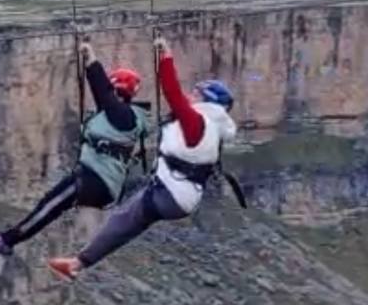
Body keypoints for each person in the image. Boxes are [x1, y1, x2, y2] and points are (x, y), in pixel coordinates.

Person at [48, 36, 237, 281]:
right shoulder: (211, 126)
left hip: (171, 194)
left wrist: (166, 56)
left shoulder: (197, 122)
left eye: (197, 93)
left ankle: (76, 263)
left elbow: (173, 93)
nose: (191, 95)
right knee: (127, 221)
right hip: (179, 193)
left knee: (124, 220)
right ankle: (75, 264)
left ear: (207, 101)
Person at [0, 42, 149, 255]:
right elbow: (101, 93)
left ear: (116, 89)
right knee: (49, 203)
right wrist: (88, 61)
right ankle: (6, 239)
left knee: (50, 206)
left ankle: (6, 241)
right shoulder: (119, 116)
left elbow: (103, 93)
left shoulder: (124, 117)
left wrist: (92, 58)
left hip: (96, 180)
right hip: (97, 180)